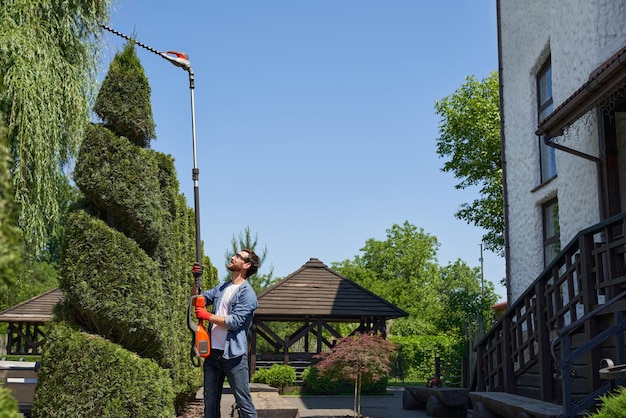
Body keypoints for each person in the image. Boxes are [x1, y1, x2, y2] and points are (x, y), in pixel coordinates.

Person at [192, 248, 259, 418]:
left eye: (238, 256)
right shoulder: (222, 288)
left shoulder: (248, 294)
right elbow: (197, 300)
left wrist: (207, 316)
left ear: (246, 265)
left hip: (234, 357)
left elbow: (235, 322)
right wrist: (196, 280)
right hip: (212, 355)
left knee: (244, 403)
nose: (232, 257)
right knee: (210, 404)